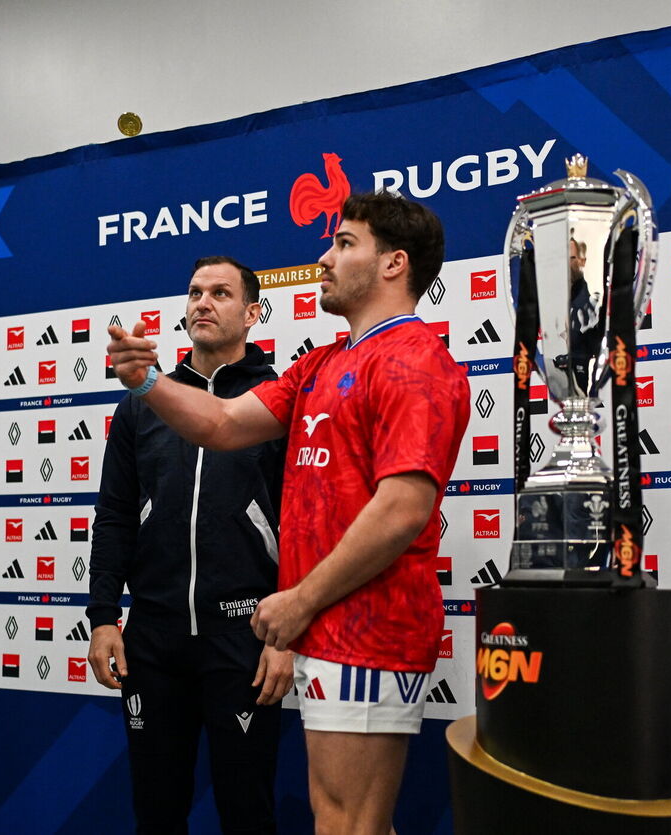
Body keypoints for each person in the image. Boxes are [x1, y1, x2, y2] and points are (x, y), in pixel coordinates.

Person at [107, 192, 470, 834]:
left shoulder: (416, 359)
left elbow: (403, 510)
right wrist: (145, 382)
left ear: (394, 264)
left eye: (345, 244)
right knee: (347, 822)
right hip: (329, 631)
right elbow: (219, 423)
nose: (324, 257)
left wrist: (299, 601)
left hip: (371, 628)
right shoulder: (323, 364)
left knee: (347, 824)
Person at [87, 256, 293, 834]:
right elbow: (116, 514)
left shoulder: (278, 399)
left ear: (253, 312)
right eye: (196, 292)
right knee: (156, 813)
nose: (204, 302)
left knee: (248, 813)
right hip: (153, 639)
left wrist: (286, 634)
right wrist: (104, 616)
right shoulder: (145, 404)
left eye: (222, 293)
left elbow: (302, 524)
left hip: (244, 638)